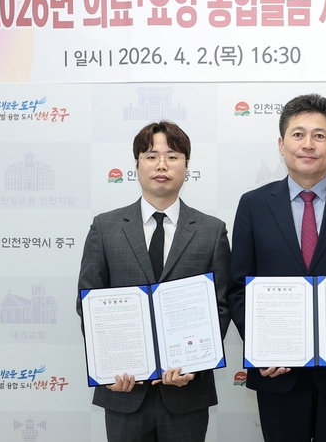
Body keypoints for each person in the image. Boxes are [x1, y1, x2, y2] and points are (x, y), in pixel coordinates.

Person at [227, 93, 326, 442]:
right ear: (281, 144)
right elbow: (238, 287)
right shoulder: (253, 205)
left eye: (319, 135)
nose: (308, 144)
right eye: (298, 134)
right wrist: (259, 348)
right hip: (277, 373)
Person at [76, 121, 230, 442]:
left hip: (187, 393)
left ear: (186, 166)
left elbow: (221, 306)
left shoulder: (211, 230)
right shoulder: (105, 227)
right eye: (151, 156)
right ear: (137, 165)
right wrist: (108, 366)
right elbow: (88, 304)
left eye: (172, 156)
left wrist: (195, 365)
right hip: (124, 390)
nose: (162, 165)